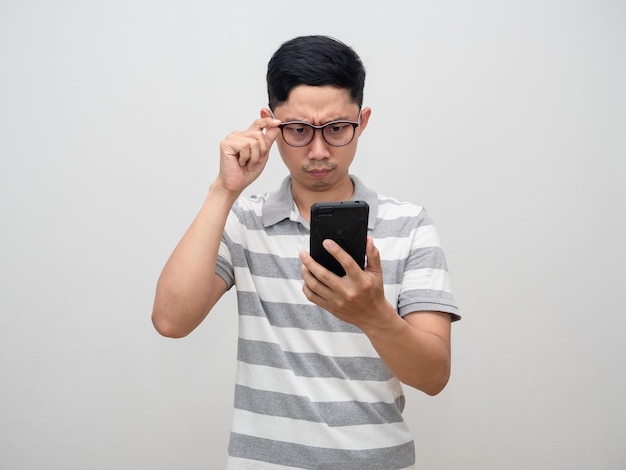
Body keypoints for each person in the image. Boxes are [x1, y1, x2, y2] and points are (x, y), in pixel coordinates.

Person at [152, 35, 460, 470]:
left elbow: (434, 377)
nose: (318, 152)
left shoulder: (409, 225)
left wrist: (373, 315)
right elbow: (171, 320)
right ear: (269, 124)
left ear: (362, 120)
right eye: (298, 130)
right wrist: (224, 191)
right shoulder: (244, 220)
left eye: (336, 129)